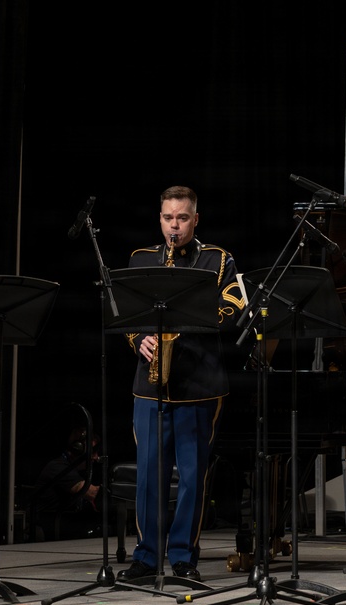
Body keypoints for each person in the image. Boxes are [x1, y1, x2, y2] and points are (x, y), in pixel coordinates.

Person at [117, 185, 244, 583]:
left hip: (199, 384)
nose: (175, 226)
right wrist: (140, 340)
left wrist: (190, 313)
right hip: (149, 385)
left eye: (183, 218)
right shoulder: (141, 259)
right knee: (150, 475)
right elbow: (125, 314)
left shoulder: (218, 259)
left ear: (195, 220)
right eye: (168, 218)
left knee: (192, 477)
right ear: (160, 219)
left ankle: (184, 556)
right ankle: (146, 555)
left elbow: (235, 307)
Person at [31, 426, 102, 541]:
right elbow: (91, 493)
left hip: (63, 528)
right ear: (77, 449)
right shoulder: (57, 467)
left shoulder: (75, 471)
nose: (96, 457)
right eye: (93, 452)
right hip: (50, 531)